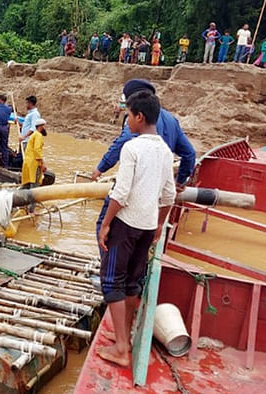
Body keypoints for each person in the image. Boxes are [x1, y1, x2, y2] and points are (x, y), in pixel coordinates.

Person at [95, 90, 176, 367]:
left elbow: (121, 193)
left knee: (111, 282)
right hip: (147, 225)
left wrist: (106, 224)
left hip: (127, 224)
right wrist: (158, 226)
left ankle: (120, 349)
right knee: (131, 282)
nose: (127, 120)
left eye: (128, 115)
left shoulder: (132, 147)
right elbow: (169, 195)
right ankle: (124, 338)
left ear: (139, 117)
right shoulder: (165, 151)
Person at [21, 118, 47, 188]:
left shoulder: (34, 135)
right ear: (41, 126)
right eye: (45, 126)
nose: (45, 128)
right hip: (34, 163)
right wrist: (42, 163)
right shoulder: (38, 135)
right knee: (35, 184)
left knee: (26, 184)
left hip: (28, 162)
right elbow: (37, 150)